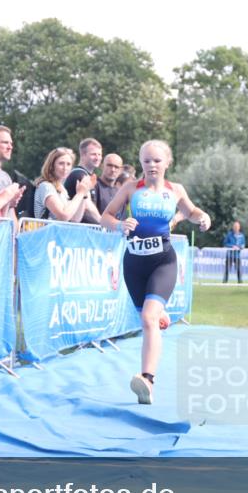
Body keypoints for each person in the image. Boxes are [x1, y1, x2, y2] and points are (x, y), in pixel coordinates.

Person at [101, 139, 211, 405]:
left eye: (157, 160)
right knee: (148, 320)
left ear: (167, 163)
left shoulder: (175, 190)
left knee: (149, 319)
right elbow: (106, 216)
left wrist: (202, 217)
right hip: (134, 264)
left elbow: (191, 211)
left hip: (163, 261)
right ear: (141, 163)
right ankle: (160, 313)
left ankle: (147, 379)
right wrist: (119, 225)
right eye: (147, 160)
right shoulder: (129, 188)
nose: (152, 165)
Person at [32, 146, 92, 221]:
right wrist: (80, 193)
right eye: (61, 163)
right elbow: (63, 216)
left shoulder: (62, 189)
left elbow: (75, 219)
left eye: (68, 164)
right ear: (51, 166)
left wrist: (83, 195)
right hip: (46, 232)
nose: (65, 168)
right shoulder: (46, 186)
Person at [64, 137, 103, 223]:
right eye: (93, 154)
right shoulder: (79, 174)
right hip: (77, 229)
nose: (97, 158)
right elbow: (87, 204)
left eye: (99, 154)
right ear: (83, 155)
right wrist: (103, 222)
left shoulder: (87, 175)